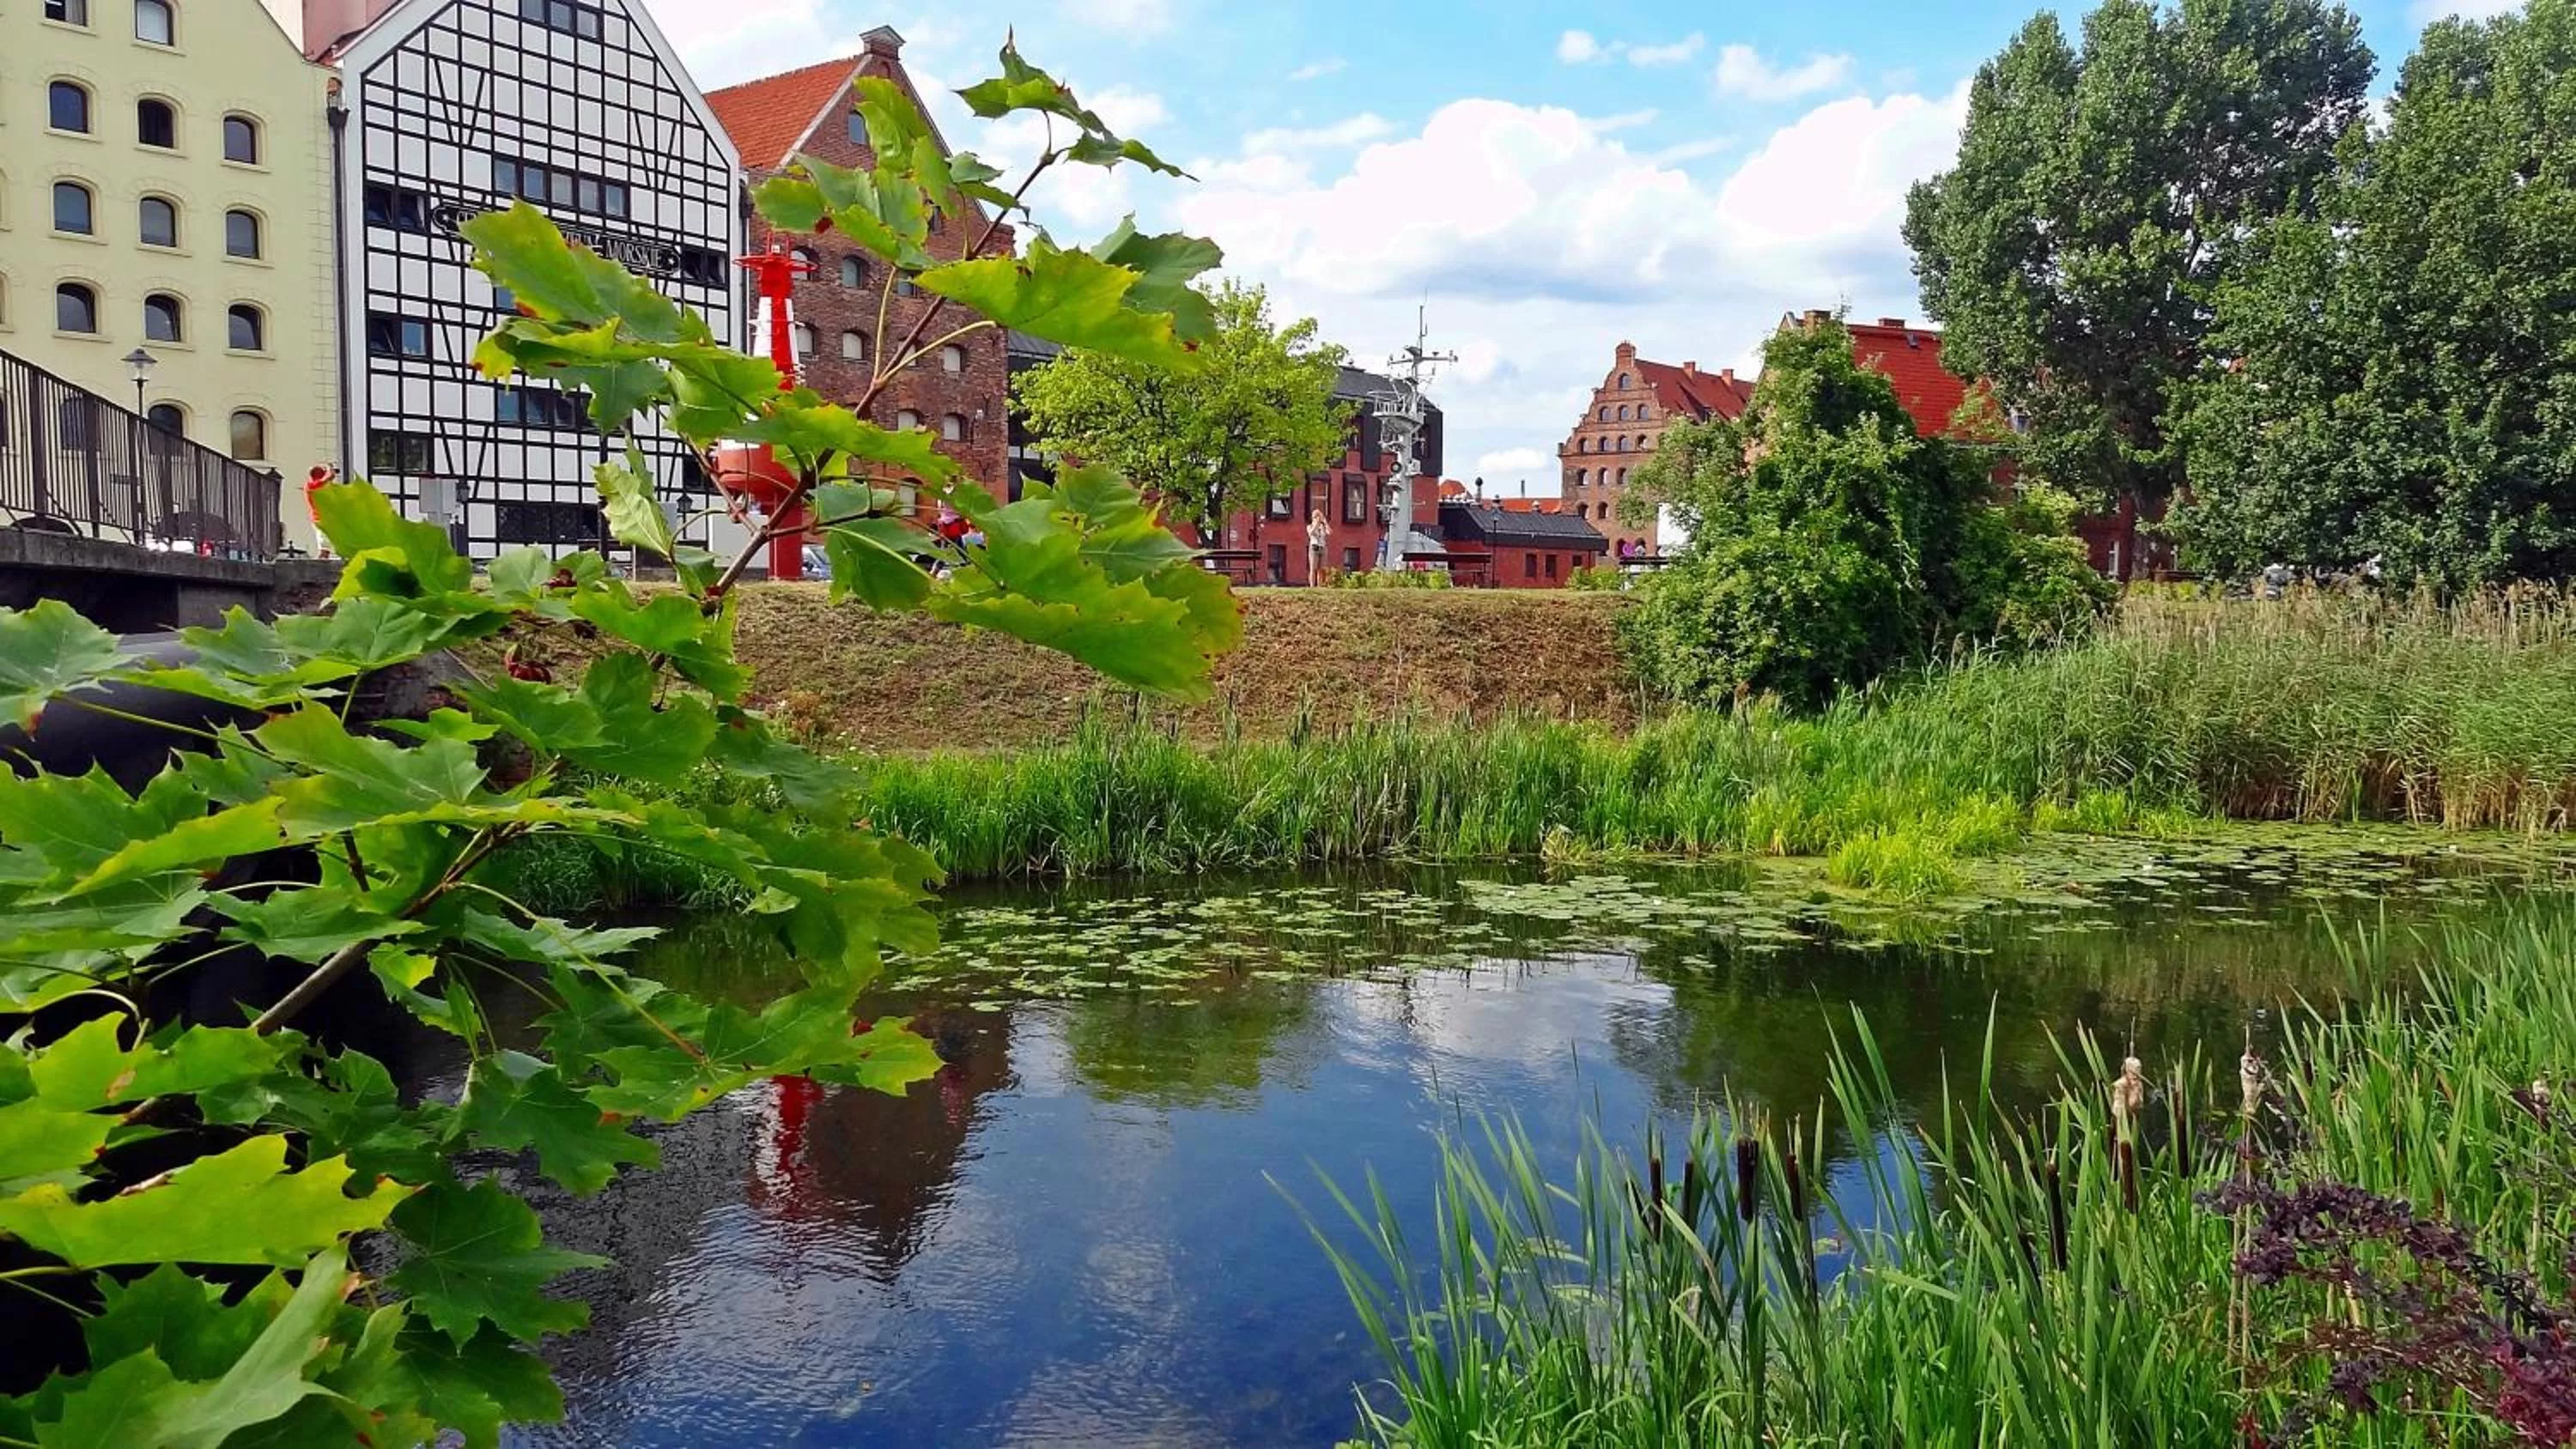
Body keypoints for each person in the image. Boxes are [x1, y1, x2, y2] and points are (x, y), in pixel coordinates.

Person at [1306, 507, 1328, 583]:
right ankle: (1312, 585)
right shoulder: (1310, 526)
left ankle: (1320, 585)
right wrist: (1316, 524)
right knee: (1313, 568)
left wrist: (1325, 523)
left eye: (1319, 516)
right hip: (1314, 547)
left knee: (1321, 569)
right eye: (1316, 517)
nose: (1318, 519)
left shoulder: (1323, 527)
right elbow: (1310, 533)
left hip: (1322, 547)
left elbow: (1330, 532)